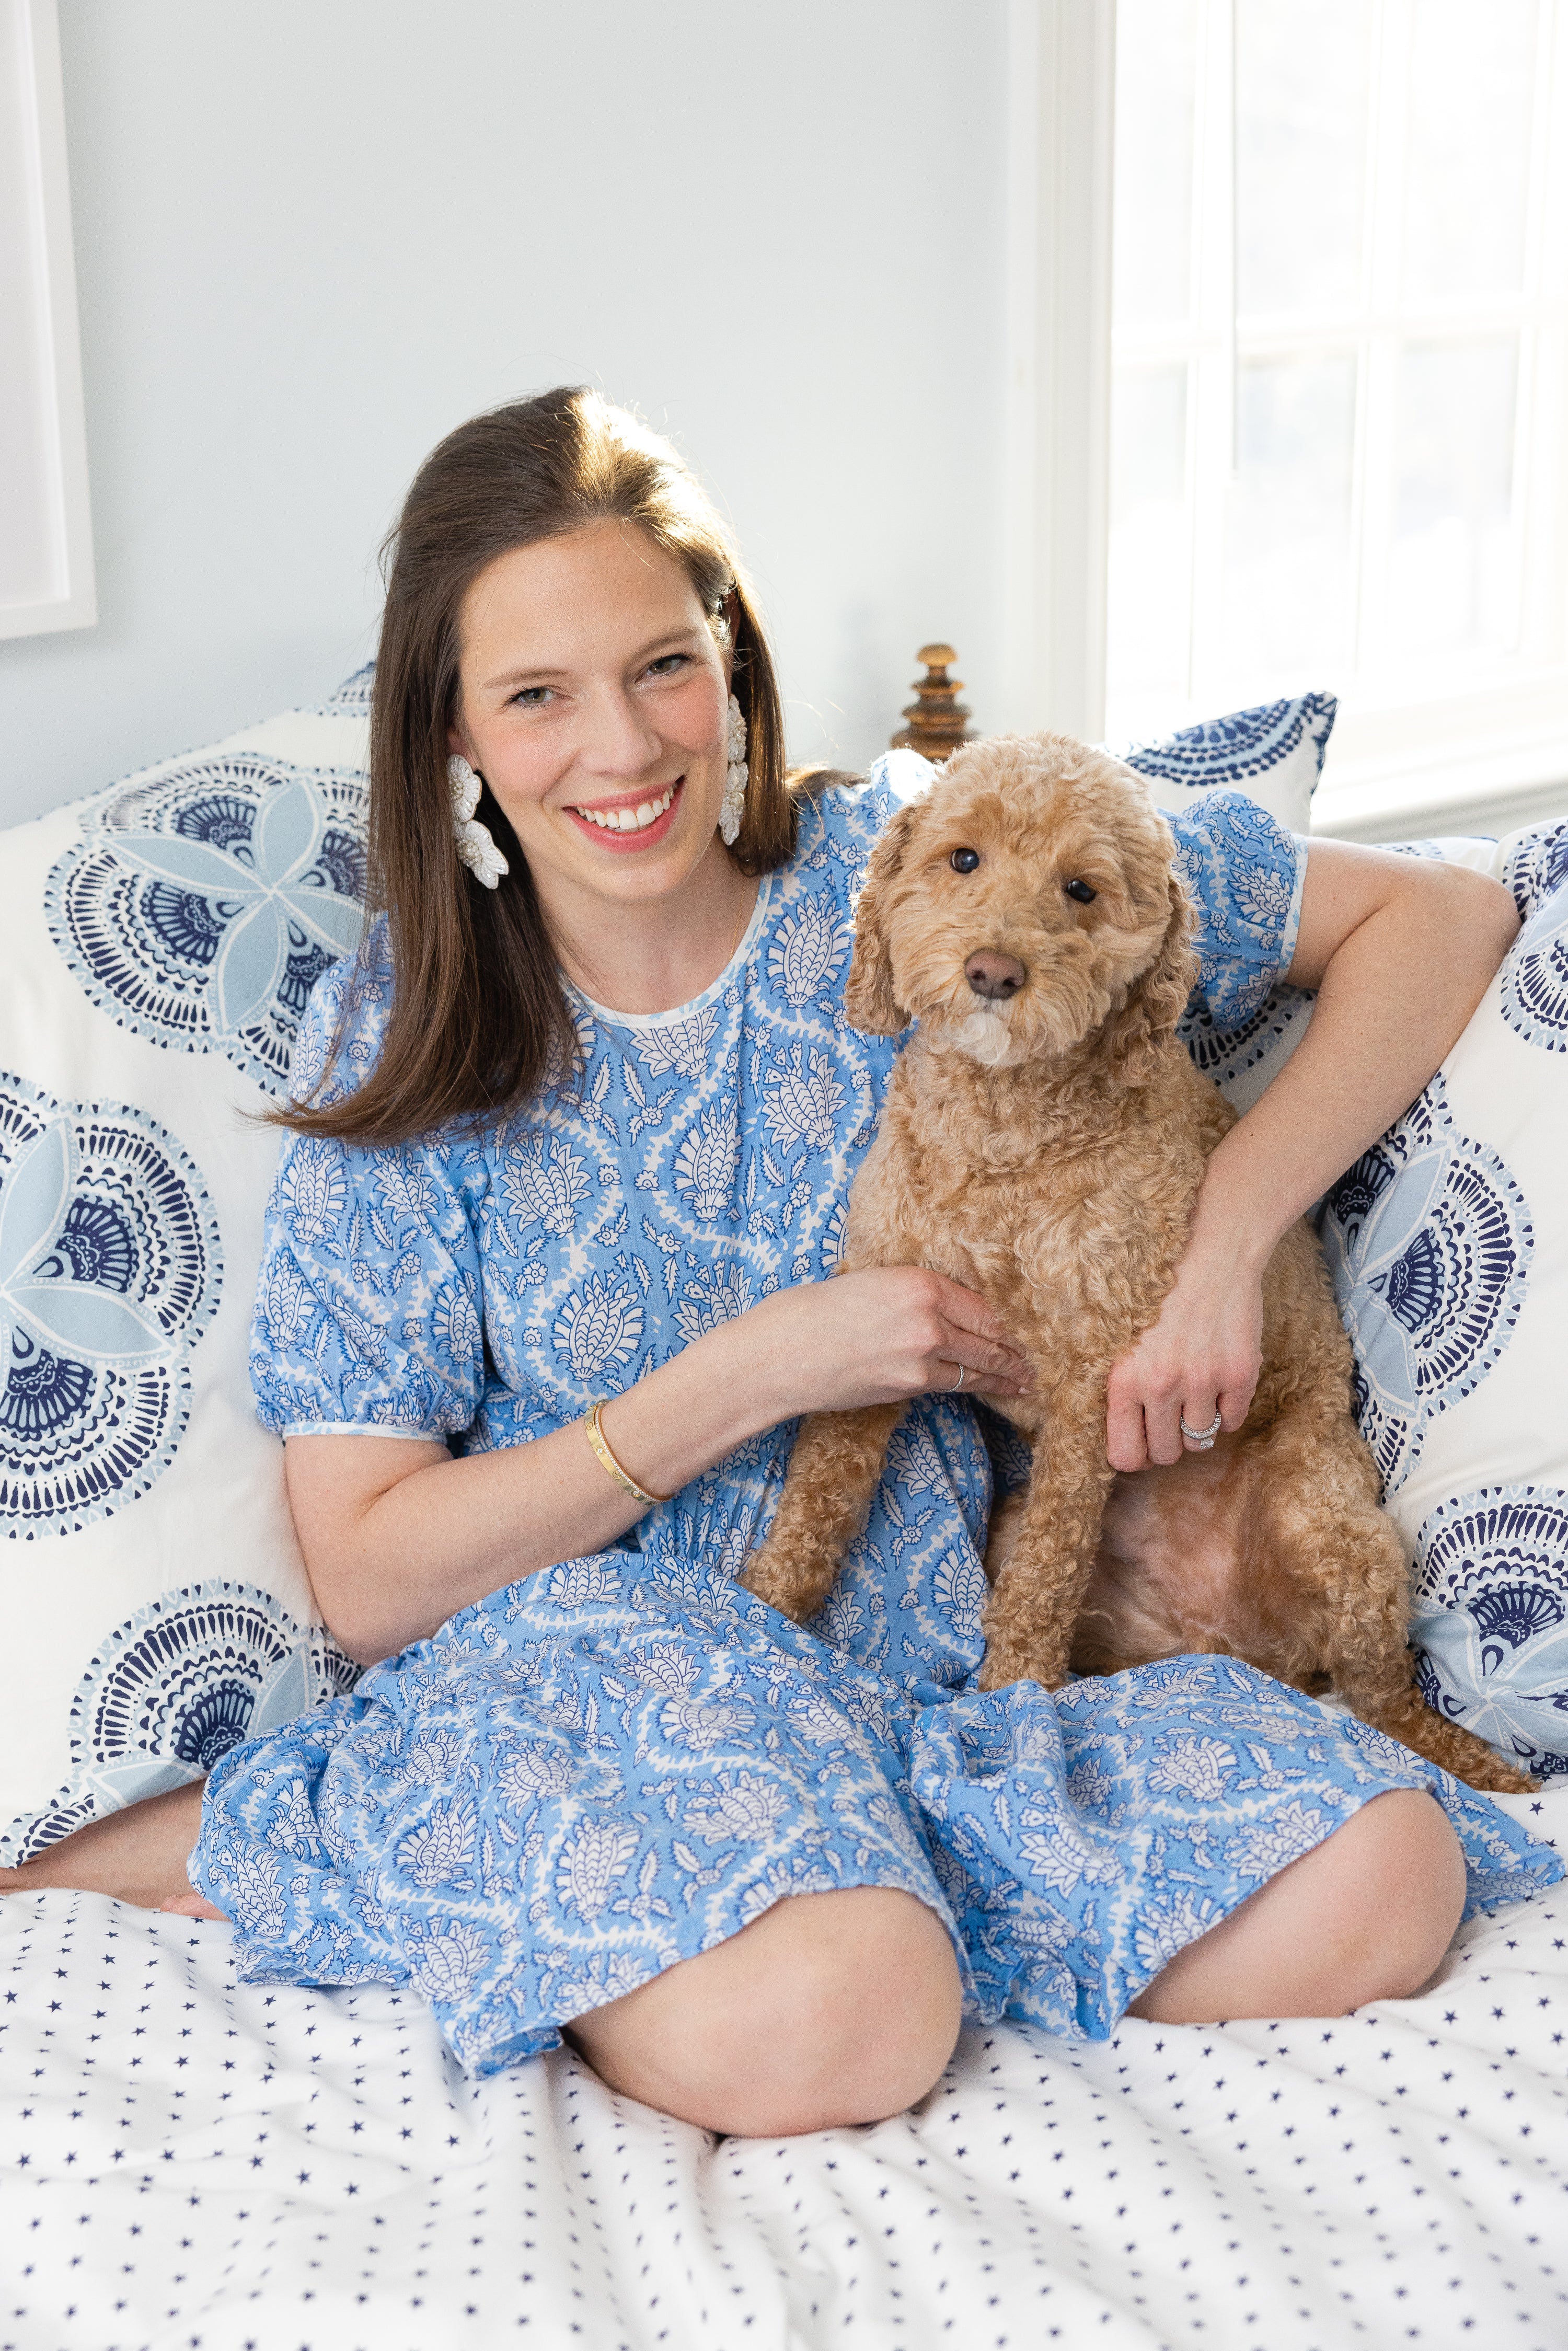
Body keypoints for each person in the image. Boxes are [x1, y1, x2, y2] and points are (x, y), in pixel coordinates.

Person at [7, 388, 1557, 2139]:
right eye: (538, 694)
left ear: (731, 669)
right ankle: (427, 1851)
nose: (623, 747)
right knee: (853, 2023)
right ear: (456, 736)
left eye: (664, 667)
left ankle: (866, 1887)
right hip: (608, 1668)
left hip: (937, 1673)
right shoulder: (422, 1034)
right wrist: (774, 1361)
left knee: (1392, 1874)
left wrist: (1222, 1246)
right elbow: (366, 1576)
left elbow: (1438, 917)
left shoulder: (917, 863)